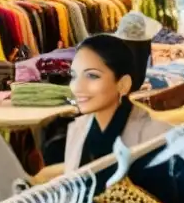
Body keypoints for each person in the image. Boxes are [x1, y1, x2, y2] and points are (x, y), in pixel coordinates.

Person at [62, 34, 172, 173]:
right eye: (74, 76)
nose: (77, 87)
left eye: (92, 76)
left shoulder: (157, 137)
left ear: (123, 84)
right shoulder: (79, 129)